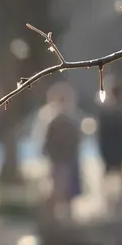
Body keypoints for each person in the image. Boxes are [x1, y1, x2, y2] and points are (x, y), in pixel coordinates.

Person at [38, 82, 83, 223]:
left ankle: (65, 218)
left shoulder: (68, 118)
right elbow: (47, 142)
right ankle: (54, 217)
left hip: (67, 159)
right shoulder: (54, 119)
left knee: (67, 190)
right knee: (58, 189)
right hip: (59, 160)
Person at [95, 77, 122, 218]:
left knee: (107, 174)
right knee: (120, 174)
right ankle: (120, 201)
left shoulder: (105, 111)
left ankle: (107, 200)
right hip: (118, 148)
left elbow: (99, 133)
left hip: (108, 147)